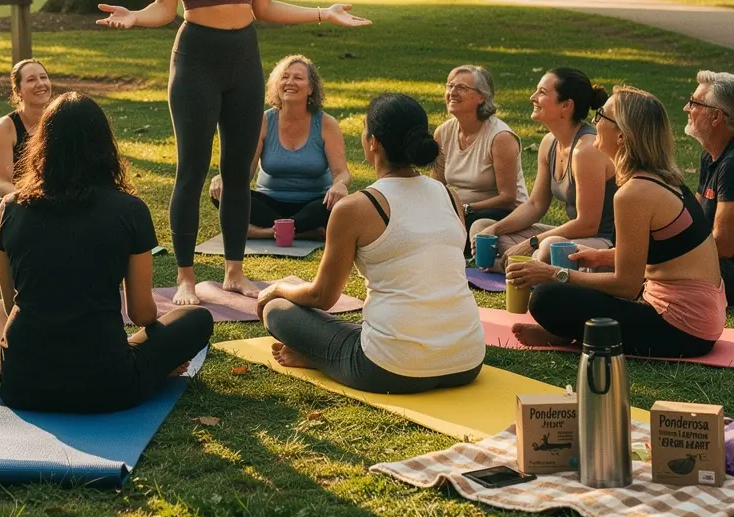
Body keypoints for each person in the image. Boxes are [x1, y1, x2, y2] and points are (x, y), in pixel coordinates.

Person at [98, 0, 370, 306]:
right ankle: (186, 277)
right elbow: (165, 8)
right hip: (196, 61)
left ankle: (234, 271)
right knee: (191, 170)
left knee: (237, 172)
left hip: (244, 59)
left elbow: (264, 6)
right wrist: (135, 17)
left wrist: (324, 12)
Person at [0, 92, 213, 412]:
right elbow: (142, 314)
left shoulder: (9, 207)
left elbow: (11, 305)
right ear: (105, 145)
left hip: (20, 385)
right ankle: (139, 358)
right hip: (107, 385)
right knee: (197, 318)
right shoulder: (130, 210)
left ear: (42, 145)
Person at [256, 93, 485, 392]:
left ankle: (318, 356)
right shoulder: (449, 196)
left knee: (276, 310)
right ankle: (323, 353)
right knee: (353, 327)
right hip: (467, 361)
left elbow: (322, 296)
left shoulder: (355, 208)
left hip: (389, 369)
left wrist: (277, 288)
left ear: (374, 142)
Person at [510, 86, 725, 358]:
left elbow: (627, 285)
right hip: (700, 320)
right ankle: (567, 331)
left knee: (545, 298)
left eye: (601, 115)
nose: (594, 121)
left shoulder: (634, 193)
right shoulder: (665, 179)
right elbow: (667, 252)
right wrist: (600, 256)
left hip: (682, 329)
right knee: (568, 292)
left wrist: (554, 273)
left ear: (622, 136)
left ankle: (565, 332)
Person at [470, 68, 616, 269]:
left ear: (566, 105)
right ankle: (522, 267)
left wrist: (531, 243)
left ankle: (520, 267)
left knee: (547, 248)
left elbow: (587, 225)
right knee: (482, 228)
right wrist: (494, 229)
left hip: (604, 244)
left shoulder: (586, 150)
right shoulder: (549, 143)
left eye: (542, 92)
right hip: (574, 238)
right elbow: (535, 205)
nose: (533, 97)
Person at [209, 55, 351, 240]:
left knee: (338, 203)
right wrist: (224, 178)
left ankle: (260, 231)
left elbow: (341, 172)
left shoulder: (326, 124)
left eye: (298, 78)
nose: (290, 82)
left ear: (310, 88)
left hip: (314, 204)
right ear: (277, 84)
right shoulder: (264, 121)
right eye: (284, 77)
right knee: (224, 194)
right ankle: (301, 232)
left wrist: (339, 185)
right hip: (269, 204)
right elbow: (246, 171)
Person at [432, 65, 528, 242]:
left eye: (461, 88)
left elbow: (508, 198)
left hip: (502, 215)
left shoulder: (500, 137)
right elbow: (436, 186)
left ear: (482, 97)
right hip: (460, 211)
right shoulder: (443, 133)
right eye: (450, 86)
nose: (452, 92)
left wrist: (467, 208)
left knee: (456, 228)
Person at [684, 70, 734, 306]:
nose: (686, 108)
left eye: (694, 103)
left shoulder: (731, 164)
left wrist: (673, 256)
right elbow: (693, 217)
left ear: (716, 117)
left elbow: (724, 244)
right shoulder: (711, 156)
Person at [0, 59, 52, 202]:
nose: (40, 84)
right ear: (18, 91)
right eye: (31, 80)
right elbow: (3, 184)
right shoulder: (5, 127)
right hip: (13, 203)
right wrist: (36, 201)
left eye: (43, 77)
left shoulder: (60, 120)